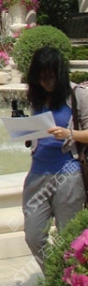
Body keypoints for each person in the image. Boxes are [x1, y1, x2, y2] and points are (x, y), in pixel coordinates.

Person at [22, 46, 87, 271]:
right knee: (33, 235)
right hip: (38, 172)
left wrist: (69, 134)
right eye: (41, 78)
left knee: (68, 236)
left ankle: (66, 284)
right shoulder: (36, 97)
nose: (46, 82)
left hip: (68, 173)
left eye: (50, 77)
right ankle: (55, 278)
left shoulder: (78, 95)